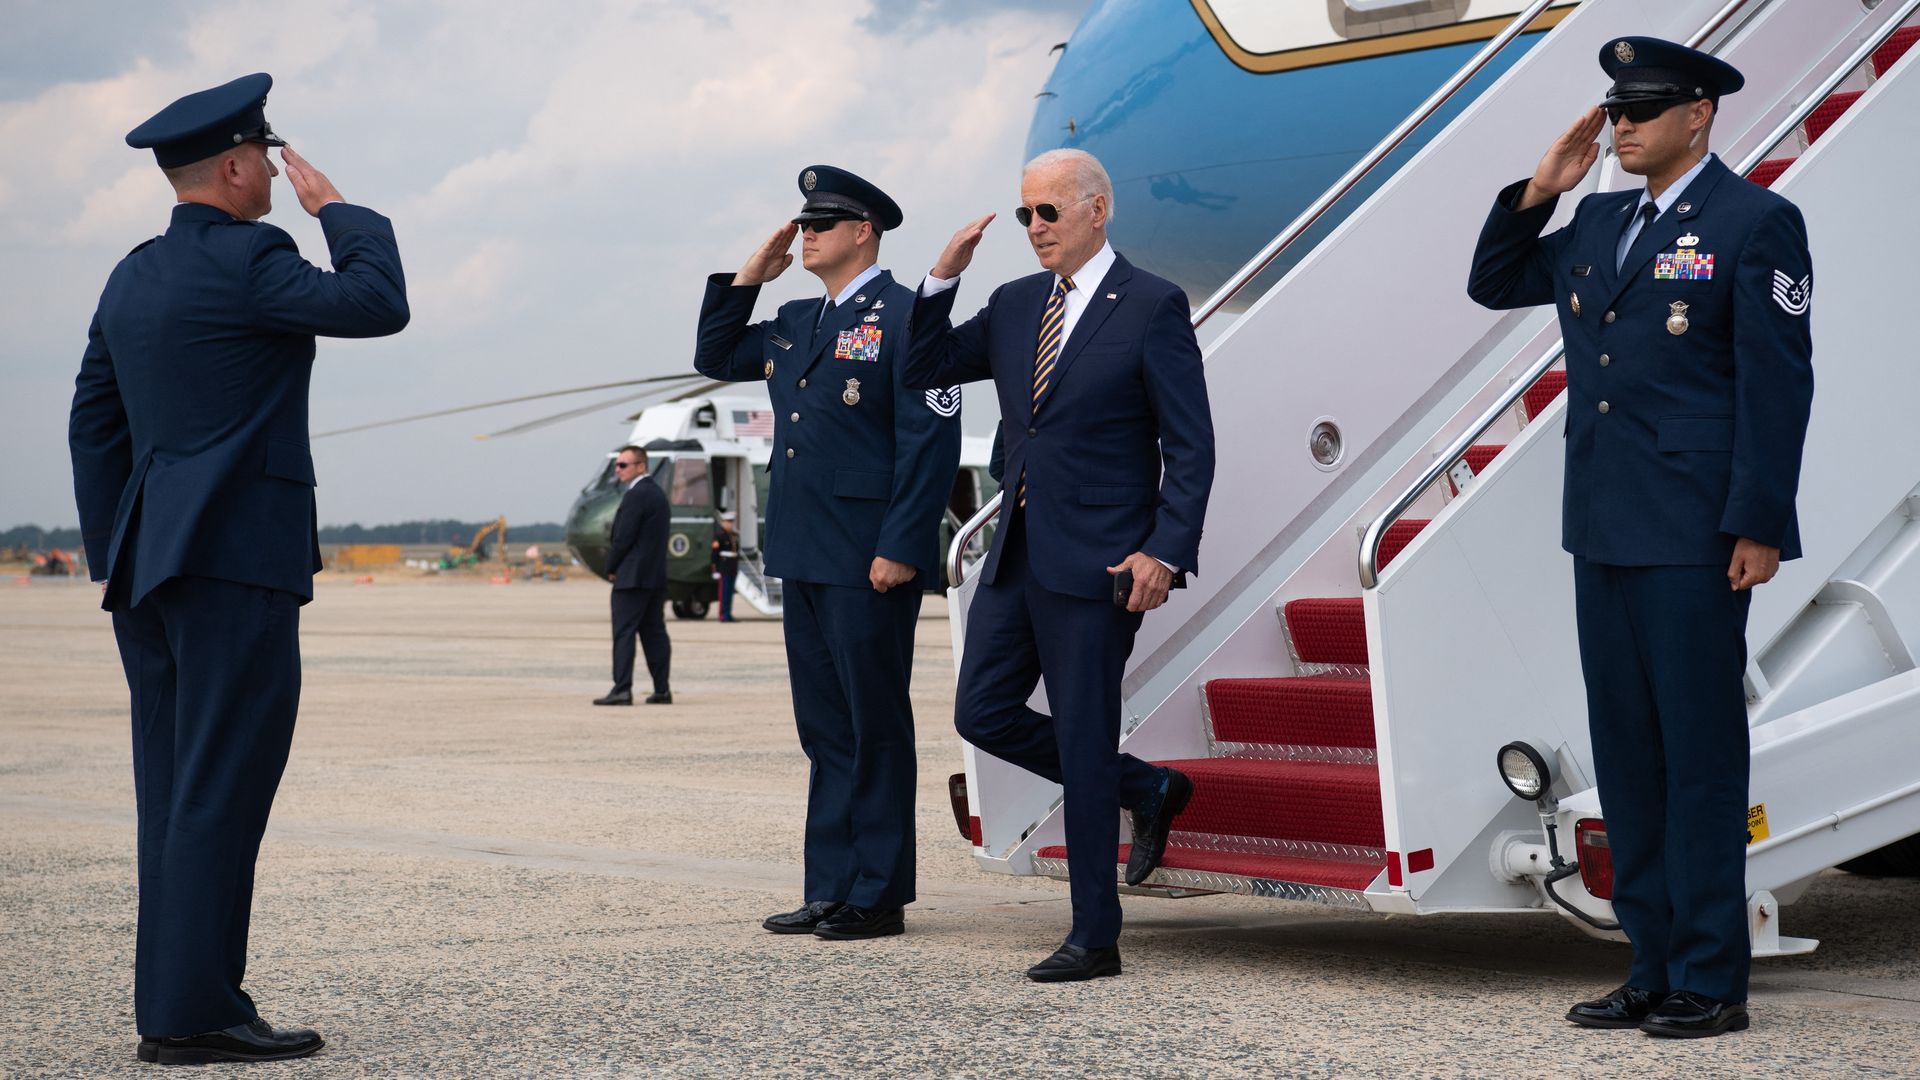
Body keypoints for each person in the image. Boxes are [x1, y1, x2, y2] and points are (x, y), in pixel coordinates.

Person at [1468, 37, 1814, 1039]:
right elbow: (1496, 282)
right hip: (1607, 523)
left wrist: (1759, 522)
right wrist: (1542, 186)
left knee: (1700, 755)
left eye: (1644, 110)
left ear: (1698, 114)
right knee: (1627, 755)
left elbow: (1777, 386)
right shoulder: (1602, 217)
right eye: (1616, 111)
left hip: (1699, 531)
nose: (1621, 127)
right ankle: (1653, 964)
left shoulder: (1755, 222)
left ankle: (1712, 978)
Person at [67, 73, 408, 1064]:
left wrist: (121, 544)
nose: (272, 169)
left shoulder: (132, 274)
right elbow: (377, 302)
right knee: (223, 786)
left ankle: (183, 1002)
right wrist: (337, 208)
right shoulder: (255, 256)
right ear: (233, 164)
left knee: (175, 788)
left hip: (152, 566)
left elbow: (94, 418)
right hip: (236, 564)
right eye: (265, 155)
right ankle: (195, 1014)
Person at [905, 148, 1215, 982]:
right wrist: (940, 278)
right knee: (981, 712)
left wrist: (1166, 549)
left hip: (1104, 561)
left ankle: (1094, 935)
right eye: (1024, 215)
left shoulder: (1151, 304)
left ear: (1097, 209)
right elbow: (923, 367)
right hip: (1017, 554)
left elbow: (1189, 445)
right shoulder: (1012, 305)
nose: (1034, 228)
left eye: (1048, 212)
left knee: (1082, 741)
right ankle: (1145, 788)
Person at [695, 166, 961, 941]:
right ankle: (830, 885)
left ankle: (878, 893)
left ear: (863, 232)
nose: (805, 234)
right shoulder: (793, 317)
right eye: (802, 223)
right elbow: (715, 355)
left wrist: (904, 545)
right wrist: (749, 277)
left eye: (823, 222)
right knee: (824, 729)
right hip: (805, 546)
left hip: (870, 553)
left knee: (873, 721)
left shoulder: (909, 315)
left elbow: (928, 439)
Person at [596, 445, 672, 705]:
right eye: (617, 465)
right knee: (654, 634)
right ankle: (662, 690)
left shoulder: (636, 495)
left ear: (641, 466)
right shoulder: (658, 494)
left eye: (623, 465)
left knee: (624, 633)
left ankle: (622, 689)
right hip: (654, 578)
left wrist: (610, 567)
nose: (618, 470)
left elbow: (623, 537)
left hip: (631, 578)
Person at [711, 511, 741, 622]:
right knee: (723, 593)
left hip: (732, 567)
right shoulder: (719, 535)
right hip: (723, 568)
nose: (730, 524)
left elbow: (735, 552)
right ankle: (723, 615)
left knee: (729, 593)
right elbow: (714, 554)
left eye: (731, 522)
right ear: (723, 523)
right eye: (728, 522)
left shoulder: (733, 535)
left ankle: (728, 613)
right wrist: (715, 570)